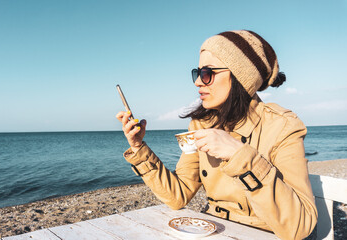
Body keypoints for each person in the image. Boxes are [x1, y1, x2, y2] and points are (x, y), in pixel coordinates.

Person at [116, 30, 318, 240]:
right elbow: (178, 195)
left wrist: (239, 154)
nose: (198, 82)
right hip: (212, 231)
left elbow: (300, 226)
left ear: (241, 77)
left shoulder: (282, 126)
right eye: (198, 73)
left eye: (207, 73)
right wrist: (139, 148)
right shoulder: (201, 123)